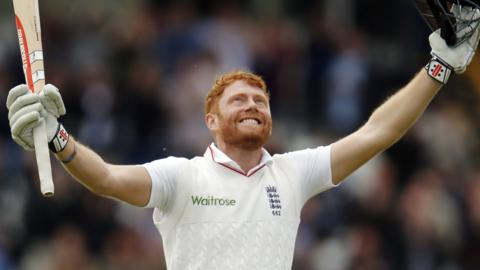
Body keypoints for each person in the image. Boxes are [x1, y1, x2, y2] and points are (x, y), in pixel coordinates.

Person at [6, 6, 480, 270]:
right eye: (238, 100)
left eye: (261, 100)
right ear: (210, 120)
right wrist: (59, 138)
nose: (253, 105)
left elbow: (378, 131)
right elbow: (107, 177)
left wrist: (438, 68)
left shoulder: (293, 173)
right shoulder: (182, 177)